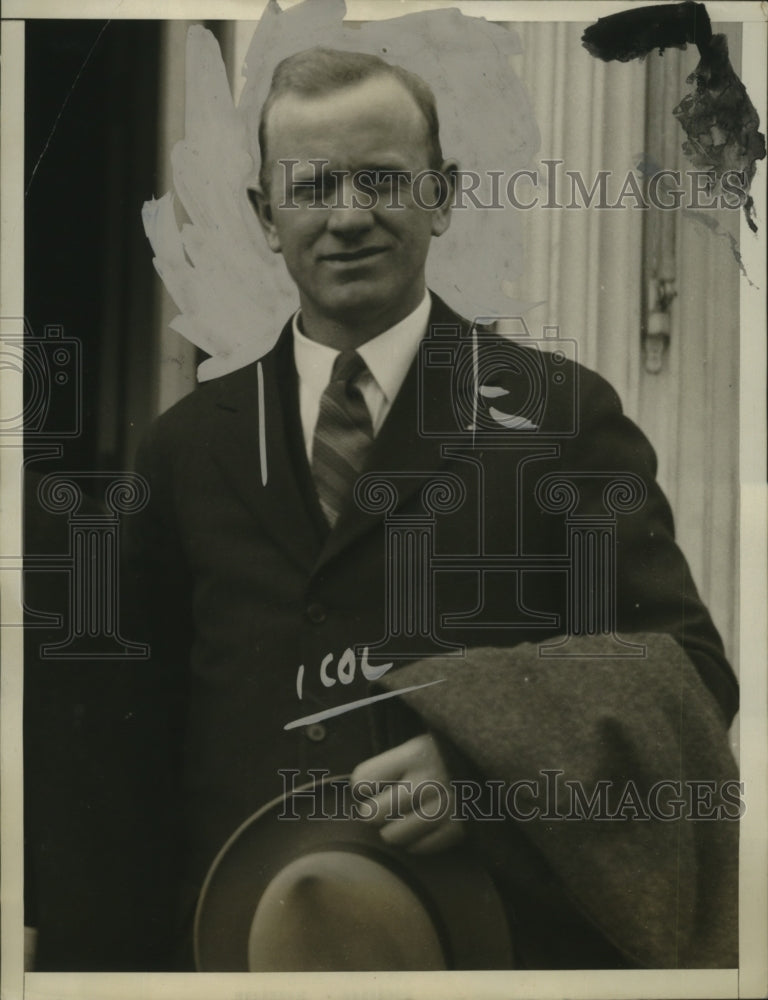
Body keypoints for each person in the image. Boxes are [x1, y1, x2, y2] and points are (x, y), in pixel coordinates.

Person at [123, 47, 739, 971]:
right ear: (264, 216)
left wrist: (493, 762)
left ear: (443, 196)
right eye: (312, 185)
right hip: (236, 952)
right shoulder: (182, 450)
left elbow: (690, 677)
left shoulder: (560, 418)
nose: (348, 216)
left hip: (495, 950)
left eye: (383, 179)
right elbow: (123, 746)